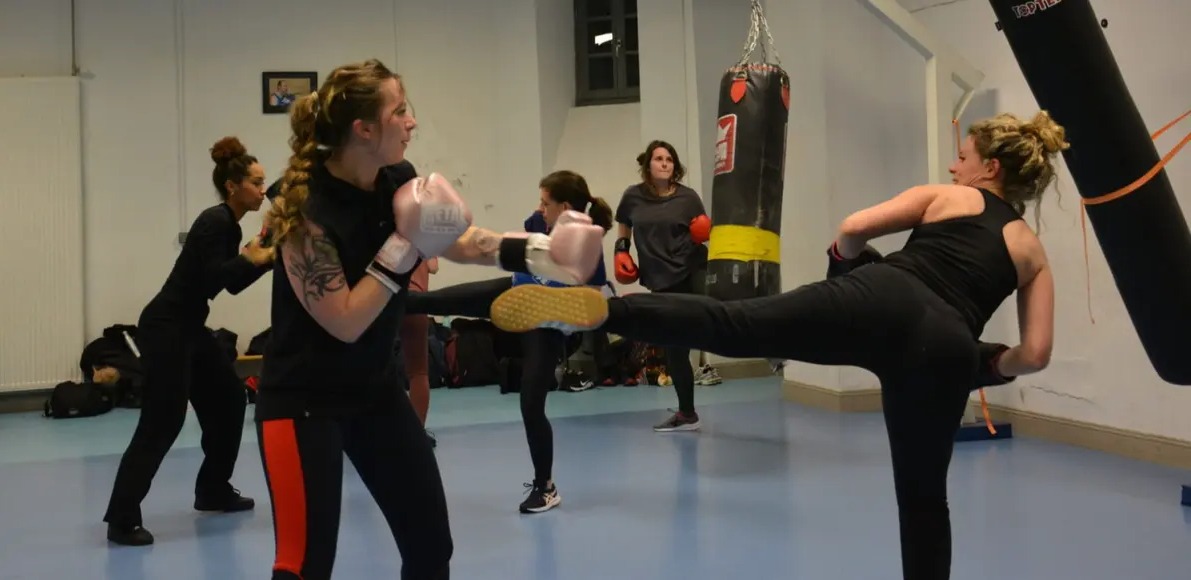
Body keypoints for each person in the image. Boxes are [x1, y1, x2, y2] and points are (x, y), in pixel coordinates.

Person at [488, 111, 1064, 580]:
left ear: (989, 167)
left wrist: (844, 269)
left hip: (884, 294)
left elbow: (854, 227)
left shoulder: (948, 197)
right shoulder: (1032, 251)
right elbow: (1034, 355)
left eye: (961, 158)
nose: (951, 165)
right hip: (947, 351)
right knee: (923, 504)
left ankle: (604, 311)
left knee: (733, 323)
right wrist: (983, 363)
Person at [254, 58, 603, 580]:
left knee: (430, 548)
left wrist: (543, 252)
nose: (412, 121)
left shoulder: (397, 180)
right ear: (364, 129)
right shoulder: (305, 209)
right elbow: (345, 320)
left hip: (374, 393)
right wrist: (403, 246)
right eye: (400, 111)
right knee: (303, 567)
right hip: (301, 402)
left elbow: (458, 240)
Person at [401, 170, 613, 514]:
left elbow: (593, 294)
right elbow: (517, 256)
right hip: (517, 293)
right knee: (430, 301)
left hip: (547, 320)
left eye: (546, 202)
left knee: (531, 405)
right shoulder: (535, 221)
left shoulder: (586, 239)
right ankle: (384, 297)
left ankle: (546, 487)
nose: (539, 208)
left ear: (566, 207)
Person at [103, 136, 274, 546]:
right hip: (166, 328)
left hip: (189, 328)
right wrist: (259, 256)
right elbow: (220, 277)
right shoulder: (215, 222)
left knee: (230, 401)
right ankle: (122, 517)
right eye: (256, 182)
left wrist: (264, 256)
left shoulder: (228, 225)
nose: (263, 190)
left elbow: (226, 285)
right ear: (232, 186)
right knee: (164, 420)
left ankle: (212, 489)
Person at [613, 140, 714, 432]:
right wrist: (621, 251)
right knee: (675, 350)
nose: (665, 163)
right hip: (660, 278)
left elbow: (702, 231)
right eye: (659, 158)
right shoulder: (632, 197)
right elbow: (624, 225)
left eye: (669, 159)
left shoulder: (688, 197)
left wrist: (703, 233)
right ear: (648, 165)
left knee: (720, 316)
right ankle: (687, 414)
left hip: (693, 268)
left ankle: (771, 345)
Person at [402, 253, 439, 447]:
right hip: (416, 299)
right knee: (418, 372)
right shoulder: (425, 238)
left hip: (384, 298)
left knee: (375, 371)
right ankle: (417, 434)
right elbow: (433, 267)